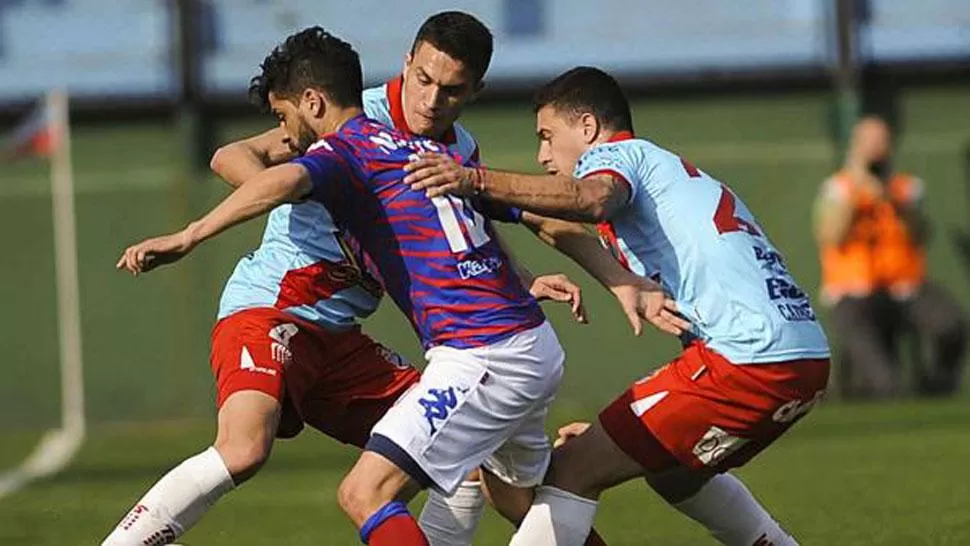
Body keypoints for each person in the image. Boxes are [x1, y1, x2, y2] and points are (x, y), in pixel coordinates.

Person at [115, 32, 682, 546]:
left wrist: (575, 278)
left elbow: (508, 218)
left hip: (385, 338)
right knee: (246, 448)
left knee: (414, 480)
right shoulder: (353, 121)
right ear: (406, 64)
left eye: (452, 91)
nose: (432, 100)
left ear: (475, 91)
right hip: (278, 304)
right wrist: (329, 198)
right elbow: (252, 163)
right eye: (424, 80)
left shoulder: (451, 153)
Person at [405, 66, 831, 545]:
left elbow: (593, 199)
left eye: (548, 136)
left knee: (571, 471)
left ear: (587, 129)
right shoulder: (672, 175)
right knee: (673, 474)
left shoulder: (619, 156)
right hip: (803, 359)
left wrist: (472, 180)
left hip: (748, 358)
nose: (543, 155)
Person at [813, 115, 966, 399]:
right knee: (886, 385)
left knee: (950, 324)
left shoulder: (906, 188)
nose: (876, 149)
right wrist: (857, 190)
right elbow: (830, 235)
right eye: (869, 142)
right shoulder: (837, 189)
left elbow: (920, 235)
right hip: (853, 294)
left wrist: (891, 198)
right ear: (855, 146)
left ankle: (938, 387)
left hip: (905, 289)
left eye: (881, 142)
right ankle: (859, 391)